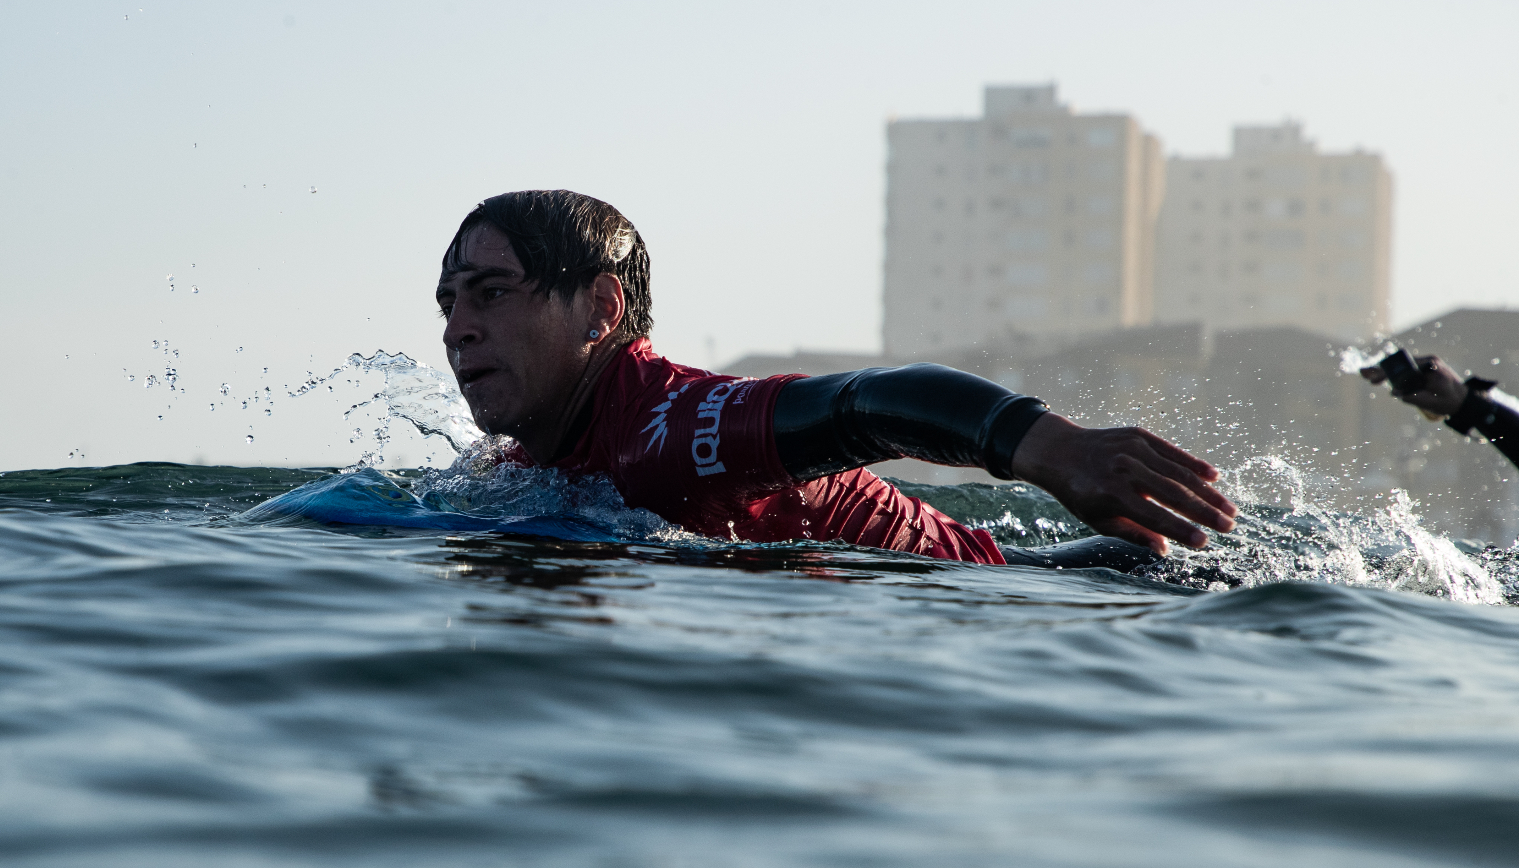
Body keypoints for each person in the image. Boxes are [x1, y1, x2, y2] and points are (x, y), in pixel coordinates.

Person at [436, 190, 1237, 571]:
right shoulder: (518, 472)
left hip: (1031, 598)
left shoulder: (674, 427)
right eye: (450, 302)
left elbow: (871, 403)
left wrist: (1056, 450)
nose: (458, 327)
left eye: (492, 293)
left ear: (600, 308)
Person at [1361, 353, 1519, 469]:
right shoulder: (1451, 403)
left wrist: (1467, 403)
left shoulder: (1458, 391)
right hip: (1482, 414)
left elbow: (1432, 361)